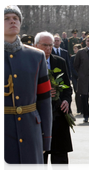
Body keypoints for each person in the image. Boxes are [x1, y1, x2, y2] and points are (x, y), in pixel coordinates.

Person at [0, 2, 52, 170]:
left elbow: (44, 100)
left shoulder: (36, 56)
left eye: (15, 18)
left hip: (31, 130)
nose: (12, 21)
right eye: (6, 18)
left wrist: (47, 137)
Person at [35, 31, 73, 170]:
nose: (48, 49)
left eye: (50, 45)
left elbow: (68, 88)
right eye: (44, 45)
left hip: (59, 116)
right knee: (40, 159)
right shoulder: (31, 62)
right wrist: (42, 93)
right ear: (36, 45)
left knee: (60, 160)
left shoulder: (59, 62)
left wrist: (66, 101)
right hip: (38, 117)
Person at [70, 44, 82, 114]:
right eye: (74, 48)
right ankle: (79, 108)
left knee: (83, 93)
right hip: (75, 77)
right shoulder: (72, 57)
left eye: (75, 48)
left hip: (83, 77)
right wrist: (77, 75)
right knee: (77, 92)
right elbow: (72, 67)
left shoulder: (83, 56)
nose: (74, 50)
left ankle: (83, 108)